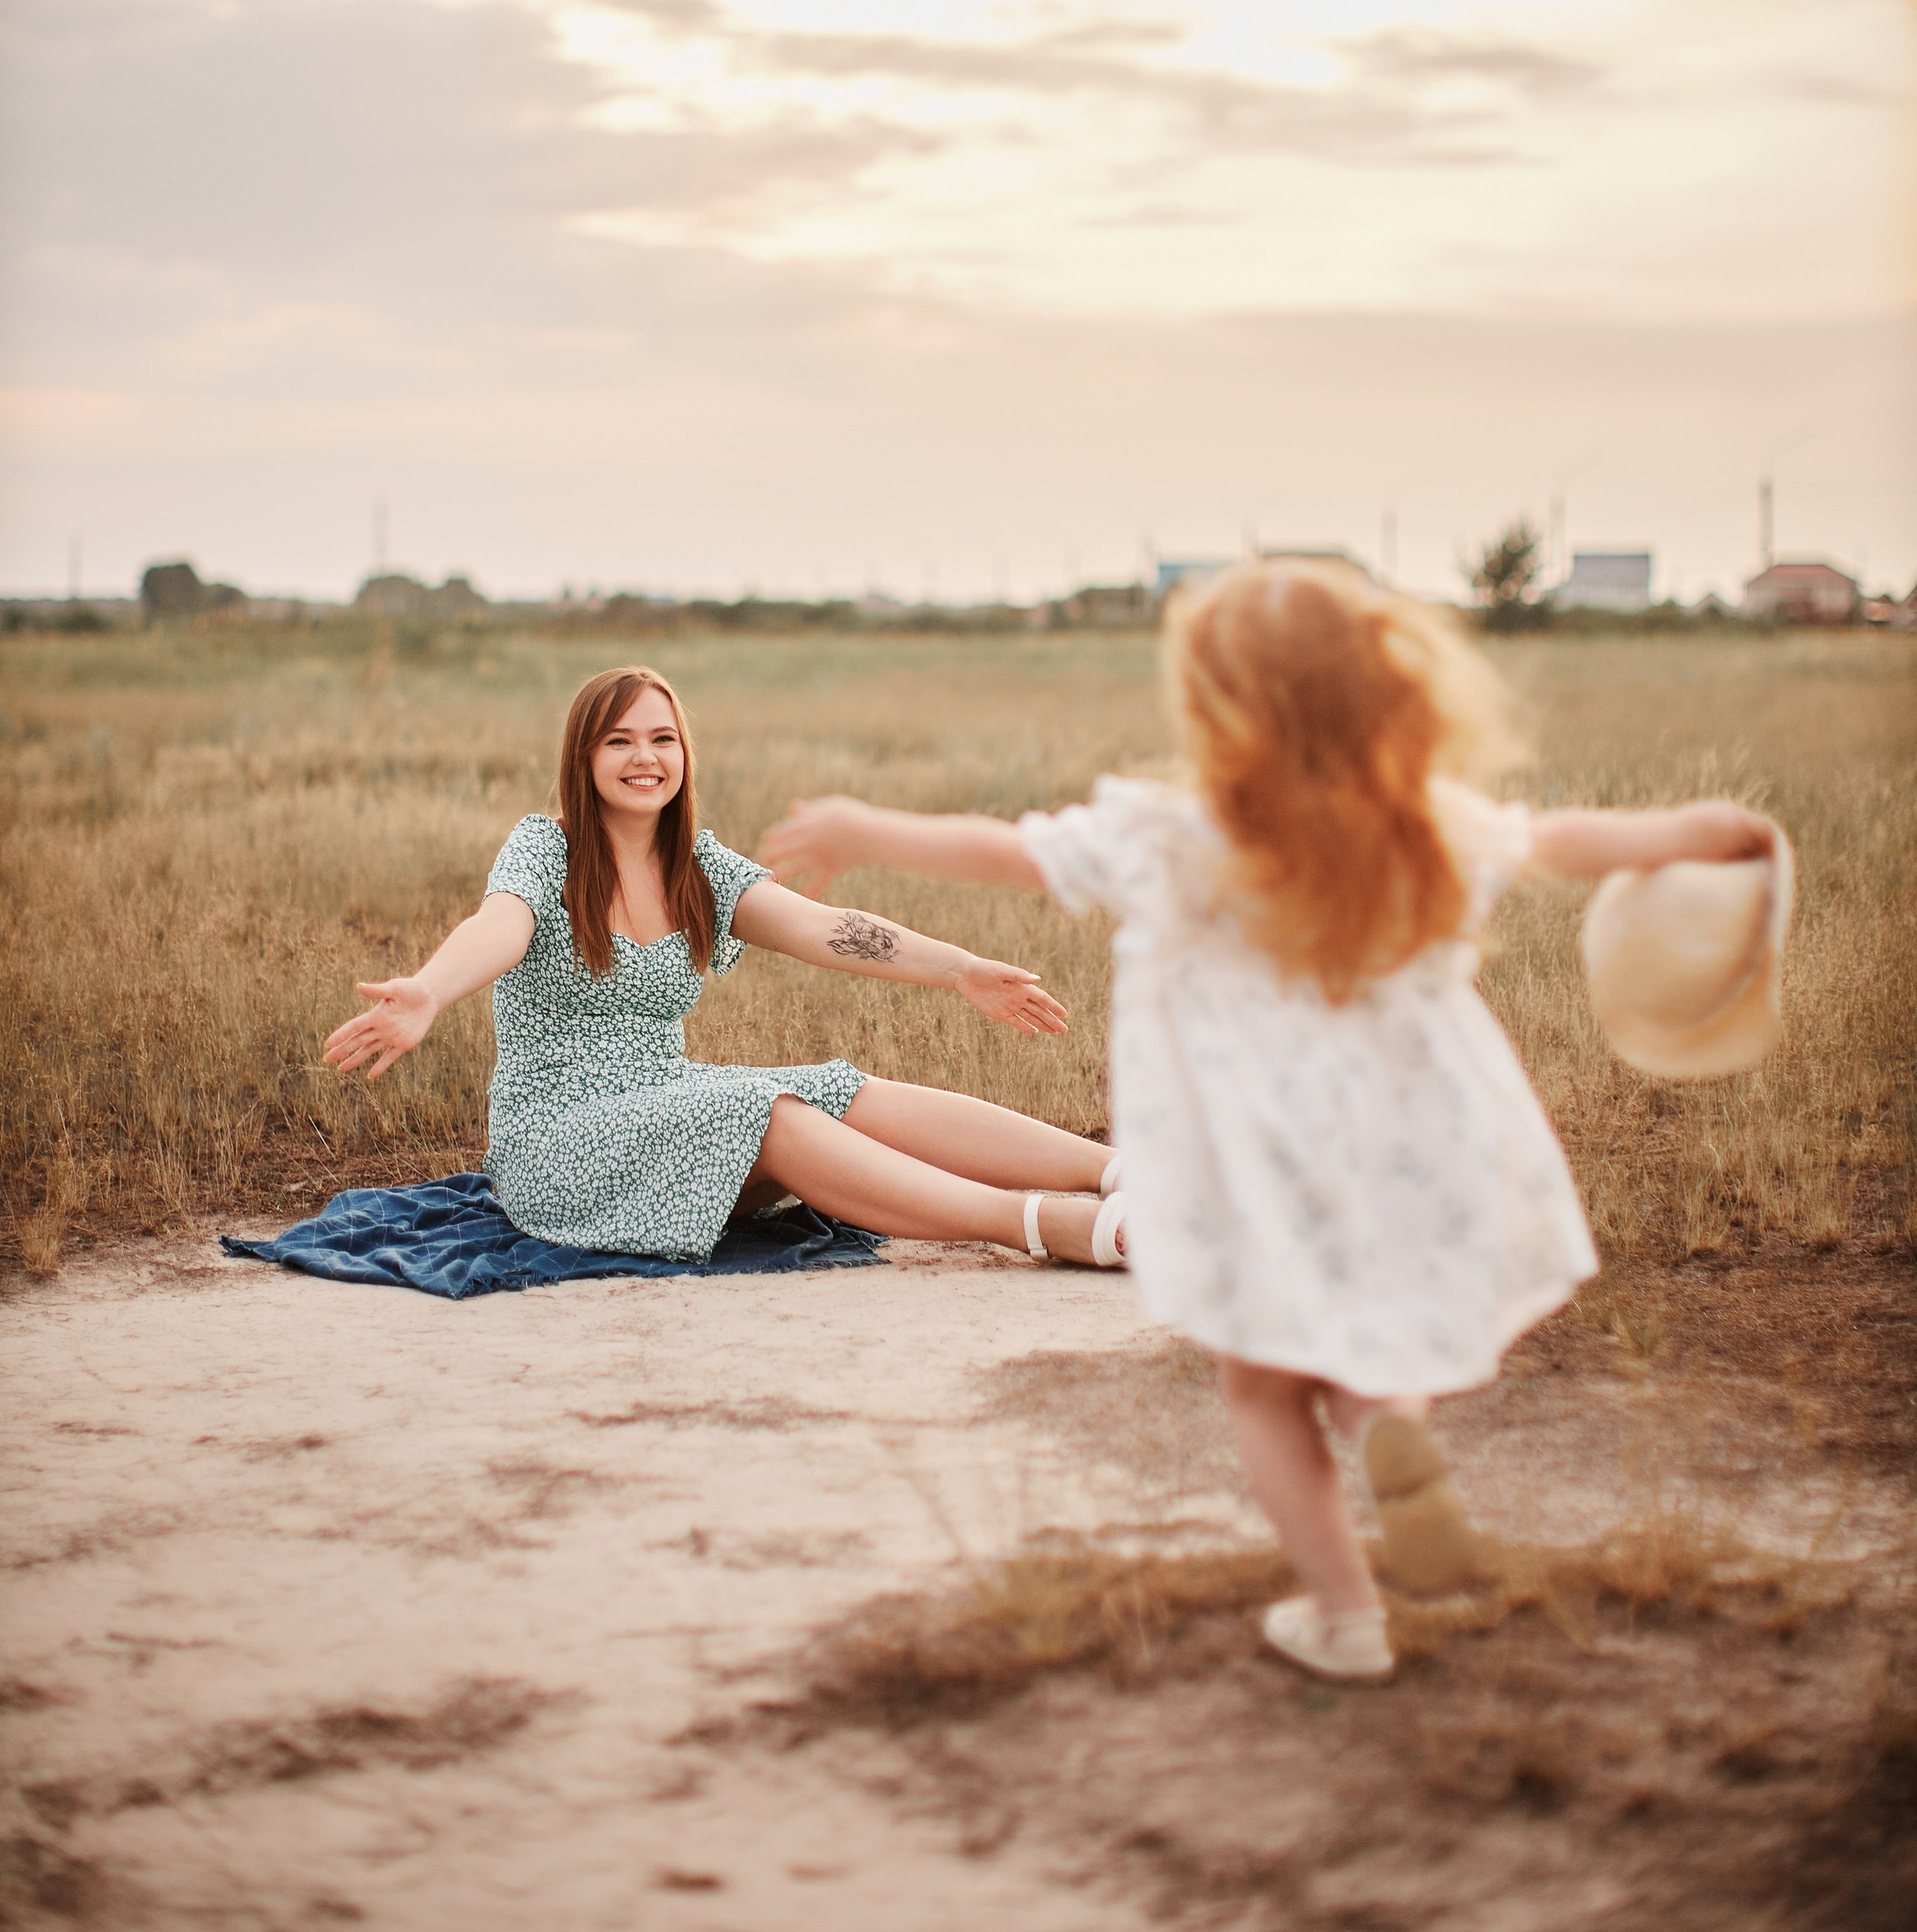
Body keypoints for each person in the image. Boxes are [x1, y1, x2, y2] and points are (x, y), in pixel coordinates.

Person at [763, 560, 1781, 1682]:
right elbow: (1561, 844)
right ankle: (1389, 1415)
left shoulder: (1175, 831)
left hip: (1246, 1153)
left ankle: (1345, 1616)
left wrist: (867, 825)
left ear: (1217, 708)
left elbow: (1007, 851)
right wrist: (1691, 830)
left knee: (1261, 1381)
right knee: (1357, 1327)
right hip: (1404, 1144)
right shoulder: (1424, 822)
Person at [323, 665, 1127, 1269]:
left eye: (662, 739)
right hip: (560, 1142)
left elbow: (825, 928)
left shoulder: (696, 865)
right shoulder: (545, 848)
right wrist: (428, 989)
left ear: (683, 755)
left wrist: (960, 969)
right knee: (765, 1108)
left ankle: (1119, 1172)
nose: (645, 758)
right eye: (620, 740)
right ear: (585, 756)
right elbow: (499, 925)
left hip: (665, 1099)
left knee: (836, 1085)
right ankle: (1033, 1224)